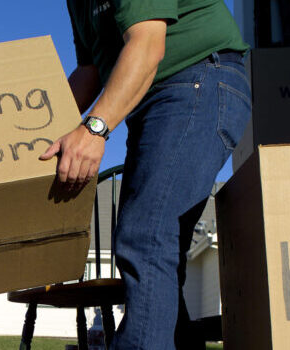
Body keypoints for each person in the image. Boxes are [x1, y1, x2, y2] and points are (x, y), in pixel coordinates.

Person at [40, 1, 251, 349]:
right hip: (155, 103)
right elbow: (90, 69)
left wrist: (93, 129)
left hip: (196, 81)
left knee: (146, 237)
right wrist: (27, 134)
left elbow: (148, 42)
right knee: (155, 253)